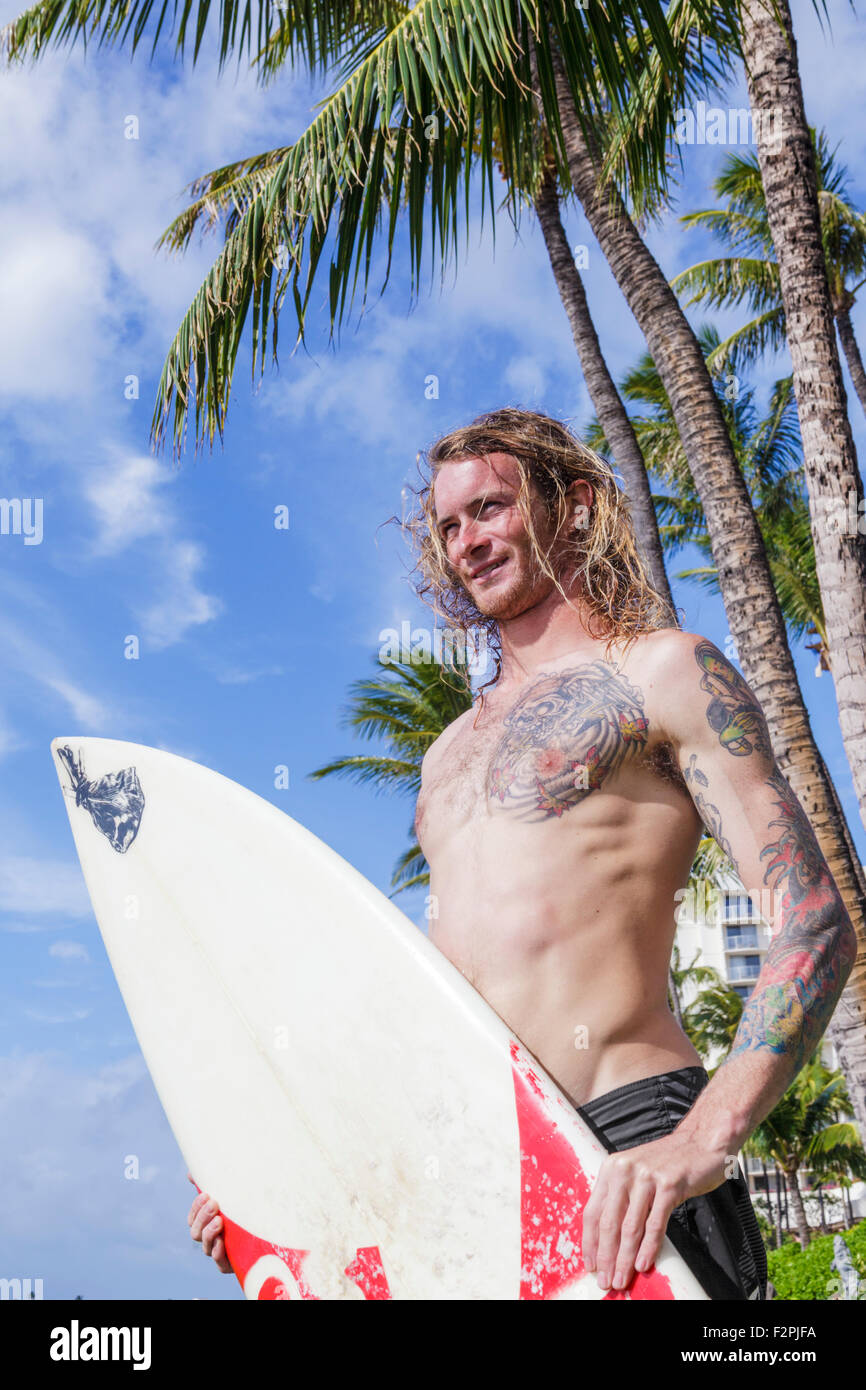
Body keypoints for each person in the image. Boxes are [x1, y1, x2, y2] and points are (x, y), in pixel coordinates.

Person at [189, 407, 857, 1299]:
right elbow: (444, 995)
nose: (468, 540)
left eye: (492, 508)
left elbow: (812, 919)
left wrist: (701, 1139)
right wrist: (289, 1183)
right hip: (477, 1173)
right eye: (449, 525)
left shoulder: (661, 673)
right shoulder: (445, 756)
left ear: (572, 506)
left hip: (629, 1151)